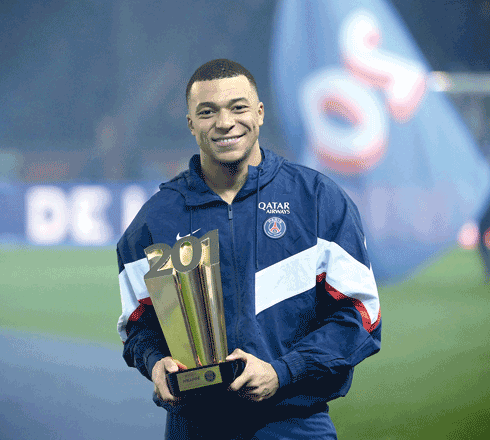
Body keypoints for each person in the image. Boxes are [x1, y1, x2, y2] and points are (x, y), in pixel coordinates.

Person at [116, 59, 381, 439]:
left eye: (238, 107)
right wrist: (155, 363)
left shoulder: (318, 201)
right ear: (191, 123)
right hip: (194, 427)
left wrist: (282, 372)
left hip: (295, 425)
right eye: (207, 112)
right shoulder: (155, 221)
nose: (225, 122)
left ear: (259, 113)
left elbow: (360, 315)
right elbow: (140, 325)